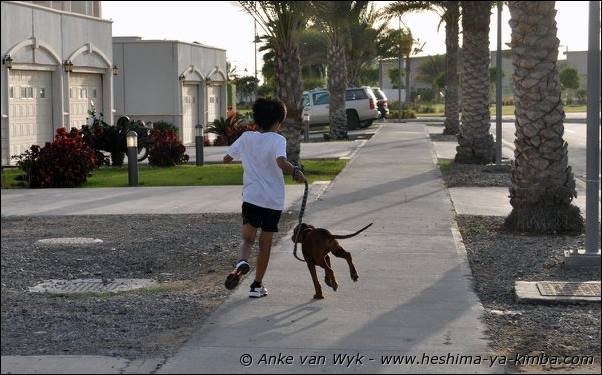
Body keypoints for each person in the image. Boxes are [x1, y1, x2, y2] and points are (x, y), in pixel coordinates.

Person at [223, 98, 305, 298]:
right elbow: (280, 161)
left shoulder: (246, 137)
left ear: (256, 119)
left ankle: (241, 263)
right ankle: (256, 286)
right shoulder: (278, 140)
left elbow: (226, 158)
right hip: (272, 201)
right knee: (265, 245)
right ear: (278, 123)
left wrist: (245, 158)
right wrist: (296, 172)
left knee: (247, 240)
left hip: (251, 198)